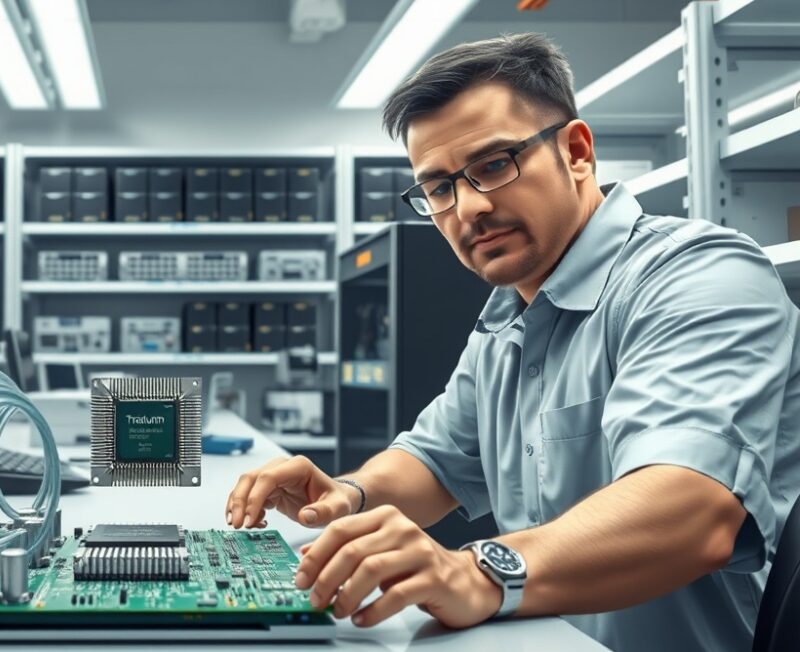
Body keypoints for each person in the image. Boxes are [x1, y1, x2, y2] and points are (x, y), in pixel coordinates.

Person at [226, 33, 800, 652]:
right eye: (438, 187)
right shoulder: (509, 317)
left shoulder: (699, 275)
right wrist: (349, 495)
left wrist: (476, 570)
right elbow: (436, 458)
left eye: (494, 165)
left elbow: (694, 512)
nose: (466, 208)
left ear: (577, 152)